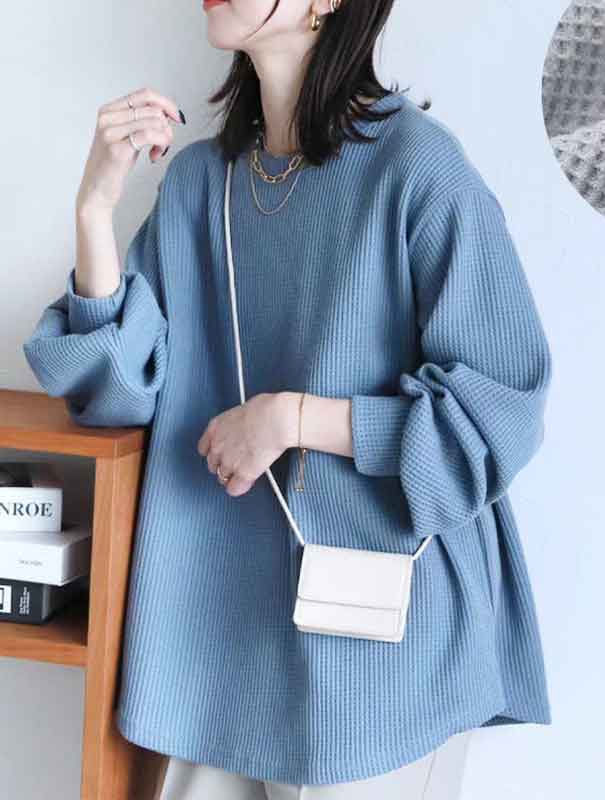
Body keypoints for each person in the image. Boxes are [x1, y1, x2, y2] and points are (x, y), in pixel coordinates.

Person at [22, 1, 553, 797]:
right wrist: (95, 208)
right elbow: (117, 392)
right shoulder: (201, 184)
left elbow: (499, 411)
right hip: (212, 644)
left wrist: (291, 419)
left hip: (375, 663)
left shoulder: (418, 168)